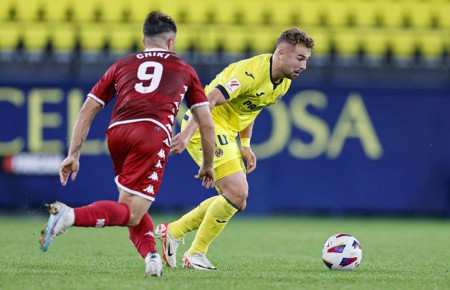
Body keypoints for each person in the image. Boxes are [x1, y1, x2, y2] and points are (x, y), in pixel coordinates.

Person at [39, 11, 216, 277]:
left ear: (143, 39)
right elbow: (206, 122)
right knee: (132, 213)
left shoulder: (121, 65)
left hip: (117, 133)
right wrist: (208, 164)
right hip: (151, 133)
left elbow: (87, 110)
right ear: (171, 42)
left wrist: (73, 154)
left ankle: (152, 257)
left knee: (130, 203)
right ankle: (68, 216)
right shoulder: (184, 69)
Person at [155, 28, 314, 270]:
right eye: (300, 58)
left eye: (307, 60)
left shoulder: (283, 82)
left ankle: (173, 231)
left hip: (226, 132)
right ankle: (195, 254)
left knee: (237, 200)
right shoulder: (251, 71)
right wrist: (186, 134)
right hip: (205, 124)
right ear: (281, 53)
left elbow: (250, 109)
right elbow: (207, 100)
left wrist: (246, 145)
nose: (303, 66)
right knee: (238, 192)